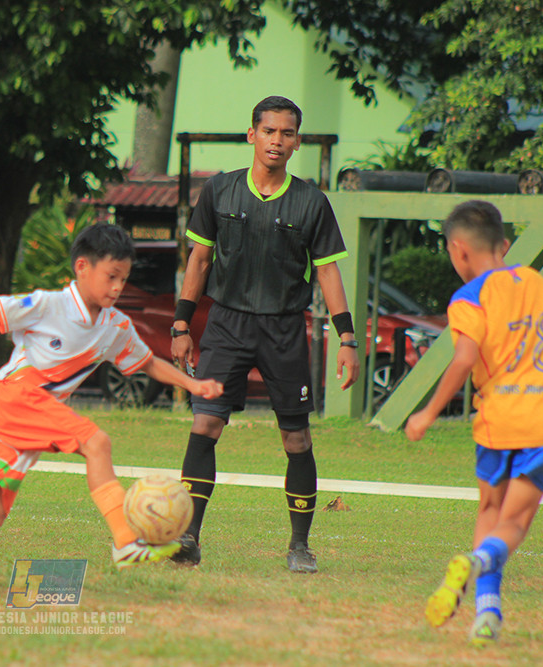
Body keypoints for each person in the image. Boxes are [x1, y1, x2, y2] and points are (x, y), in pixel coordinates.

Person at [0, 224, 224, 583]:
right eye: (111, 276)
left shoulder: (115, 326)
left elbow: (147, 363)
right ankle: (125, 541)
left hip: (20, 413)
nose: (118, 287)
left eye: (124, 279)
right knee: (96, 441)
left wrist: (193, 383)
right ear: (82, 267)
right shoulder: (48, 305)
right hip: (14, 398)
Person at [169, 96, 360, 573]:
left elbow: (329, 275)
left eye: (287, 133)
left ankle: (299, 546)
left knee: (295, 439)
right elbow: (199, 260)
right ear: (251, 135)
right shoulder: (219, 191)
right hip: (226, 325)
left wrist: (348, 339)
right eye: (269, 131)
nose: (277, 140)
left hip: (284, 329)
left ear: (297, 143)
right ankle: (189, 536)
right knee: (205, 425)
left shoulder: (312, 202)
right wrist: (180, 324)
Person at [406, 200, 543, 646]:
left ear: (459, 250)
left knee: (489, 511)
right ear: (503, 245)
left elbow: (465, 358)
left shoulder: (467, 298)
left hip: (495, 422)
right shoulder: (534, 280)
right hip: (539, 421)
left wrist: (427, 412)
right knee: (516, 522)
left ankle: (487, 614)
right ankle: (477, 562)